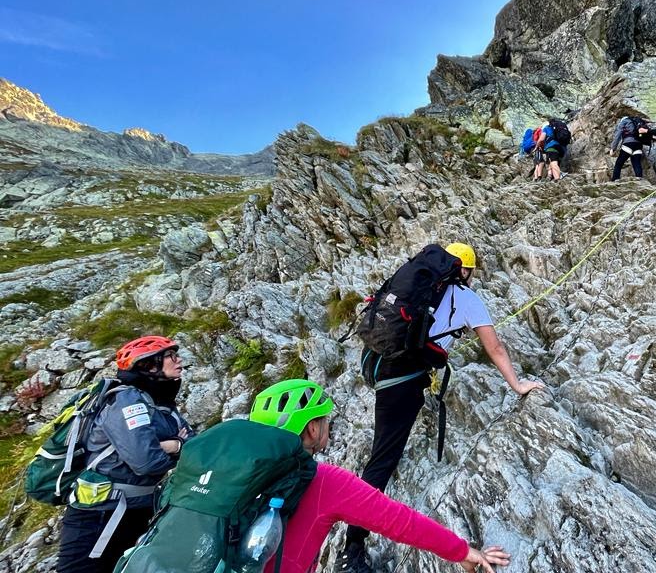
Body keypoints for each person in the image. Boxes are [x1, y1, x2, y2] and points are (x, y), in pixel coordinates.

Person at [343, 242, 544, 572]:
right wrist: (518, 385)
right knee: (383, 457)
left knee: (388, 441)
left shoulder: (421, 287)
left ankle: (356, 531)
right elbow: (495, 348)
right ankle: (352, 548)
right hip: (400, 378)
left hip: (375, 359)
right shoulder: (467, 298)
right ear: (463, 270)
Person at [249, 379, 512, 573]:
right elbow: (399, 521)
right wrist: (462, 551)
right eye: (325, 419)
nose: (329, 424)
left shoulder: (239, 476)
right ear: (312, 428)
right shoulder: (324, 482)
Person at [57, 335, 194, 573]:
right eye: (171, 356)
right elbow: (147, 461)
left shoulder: (160, 405)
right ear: (149, 365)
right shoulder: (126, 400)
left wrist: (172, 445)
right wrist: (174, 445)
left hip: (134, 510)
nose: (179, 360)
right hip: (99, 516)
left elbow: (191, 442)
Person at [609, 115, 650, 180]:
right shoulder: (638, 123)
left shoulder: (624, 122)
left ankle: (615, 181)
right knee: (636, 164)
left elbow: (618, 135)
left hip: (628, 144)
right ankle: (640, 181)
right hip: (638, 145)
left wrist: (613, 148)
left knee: (618, 164)